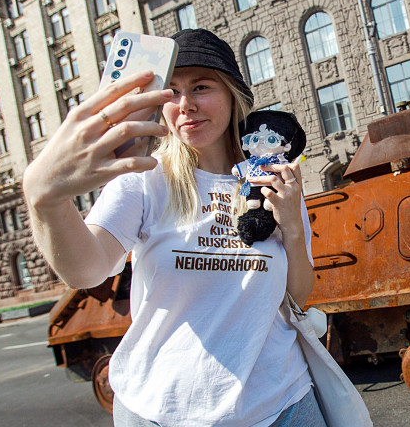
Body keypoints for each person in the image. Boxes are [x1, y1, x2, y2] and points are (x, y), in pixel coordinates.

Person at [23, 28, 325, 426]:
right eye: (171, 90)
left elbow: (297, 296)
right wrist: (45, 200)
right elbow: (86, 270)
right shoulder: (143, 181)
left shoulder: (272, 181)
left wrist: (293, 226)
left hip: (281, 406)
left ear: (233, 96)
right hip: (161, 412)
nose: (185, 105)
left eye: (201, 87)